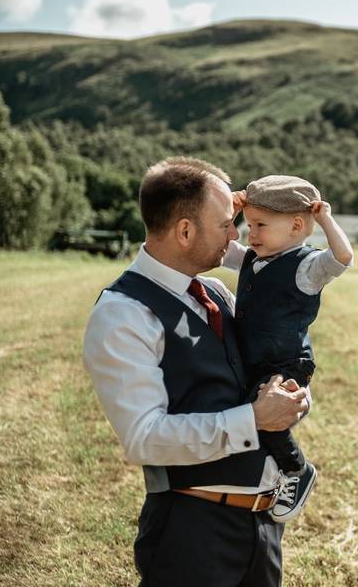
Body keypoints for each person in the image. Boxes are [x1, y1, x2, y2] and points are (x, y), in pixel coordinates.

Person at [83, 157, 309, 587]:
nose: (236, 233)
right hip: (192, 533)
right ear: (185, 231)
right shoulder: (123, 314)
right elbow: (144, 439)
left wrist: (292, 396)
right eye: (226, 222)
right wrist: (255, 420)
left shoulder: (216, 292)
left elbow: (255, 373)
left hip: (262, 529)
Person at [225, 175, 354, 522]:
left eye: (260, 225)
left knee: (266, 413)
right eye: (249, 225)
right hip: (255, 358)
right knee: (252, 412)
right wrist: (231, 213)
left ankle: (297, 470)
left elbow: (342, 257)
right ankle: (269, 471)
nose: (251, 234)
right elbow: (224, 248)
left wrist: (325, 218)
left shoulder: (306, 267)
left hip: (286, 362)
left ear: (297, 225)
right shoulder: (253, 257)